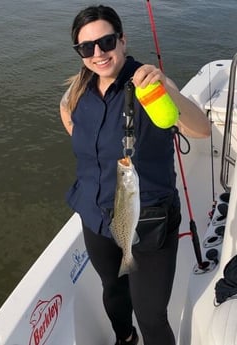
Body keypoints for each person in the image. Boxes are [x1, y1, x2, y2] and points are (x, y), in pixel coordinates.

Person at [60, 5, 210, 345]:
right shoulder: (77, 91)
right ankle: (125, 339)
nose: (98, 53)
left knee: (151, 315)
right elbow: (69, 121)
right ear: (80, 53)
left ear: (123, 40)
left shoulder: (149, 84)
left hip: (149, 220)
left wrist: (167, 89)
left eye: (107, 41)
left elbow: (201, 130)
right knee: (113, 291)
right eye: (87, 47)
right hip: (95, 215)